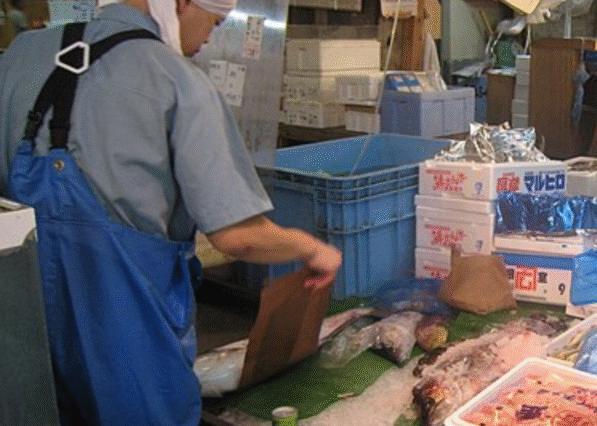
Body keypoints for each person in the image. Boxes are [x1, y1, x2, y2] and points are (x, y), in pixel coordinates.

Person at [0, 0, 342, 425]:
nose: (209, 38)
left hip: (19, 317)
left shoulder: (21, 54)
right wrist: (311, 248)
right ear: (181, 3)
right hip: (125, 326)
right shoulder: (176, 79)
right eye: (215, 22)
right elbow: (239, 235)